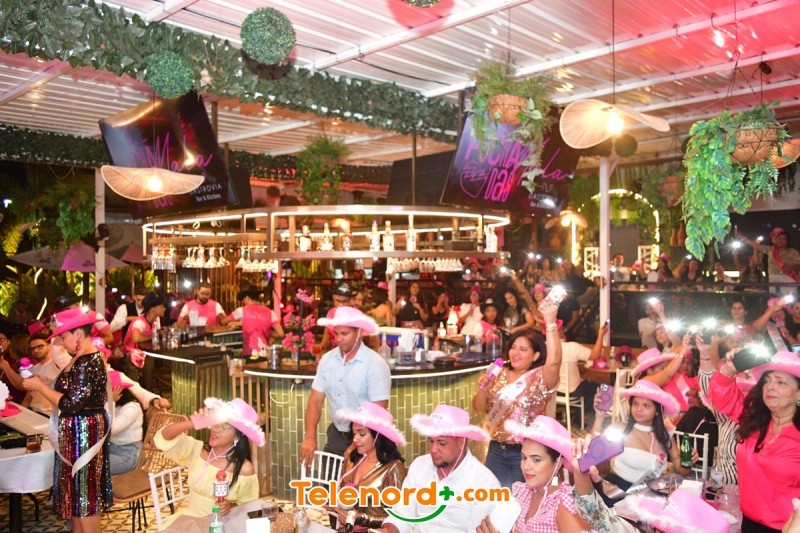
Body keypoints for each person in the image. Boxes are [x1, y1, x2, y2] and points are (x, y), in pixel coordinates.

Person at [21, 308, 112, 533]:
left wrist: (40, 387)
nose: (61, 342)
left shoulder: (89, 361)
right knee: (75, 492)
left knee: (86, 494)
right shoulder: (79, 359)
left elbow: (71, 403)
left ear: (78, 334)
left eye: (63, 336)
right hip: (75, 431)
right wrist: (43, 385)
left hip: (85, 431)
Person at [472, 298, 562, 487]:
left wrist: (550, 322)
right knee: (493, 497)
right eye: (513, 347)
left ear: (536, 355)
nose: (515, 353)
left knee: (521, 501)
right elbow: (479, 407)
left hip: (527, 453)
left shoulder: (540, 378)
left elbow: (554, 362)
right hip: (496, 449)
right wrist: (484, 388)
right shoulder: (499, 373)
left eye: (523, 349)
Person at [709, 350, 800, 531]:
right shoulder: (755, 422)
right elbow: (722, 396)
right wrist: (730, 368)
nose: (770, 387)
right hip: (749, 523)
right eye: (767, 381)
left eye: (781, 382)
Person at [381, 404, 500, 532]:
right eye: (431, 441)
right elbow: (402, 515)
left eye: (441, 443)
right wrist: (387, 530)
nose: (433, 449)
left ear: (461, 442)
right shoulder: (419, 466)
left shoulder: (485, 483)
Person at [300, 307, 391, 462]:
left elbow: (378, 412)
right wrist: (310, 437)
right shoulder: (327, 360)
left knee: (356, 478)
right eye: (336, 334)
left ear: (359, 332)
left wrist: (354, 445)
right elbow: (315, 400)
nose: (339, 339)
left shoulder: (375, 364)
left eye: (344, 334)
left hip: (367, 438)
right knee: (329, 477)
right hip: (336, 435)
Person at [155, 397, 263, 527]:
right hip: (190, 519)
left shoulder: (244, 469)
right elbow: (165, 436)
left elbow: (249, 508)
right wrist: (194, 423)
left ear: (237, 437)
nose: (216, 429)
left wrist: (229, 506)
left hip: (222, 524)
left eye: (224, 427)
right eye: (216, 423)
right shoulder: (197, 451)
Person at [477, 417, 590, 532]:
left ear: (558, 463)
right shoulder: (522, 493)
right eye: (524, 457)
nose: (526, 466)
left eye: (536, 460)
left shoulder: (565, 504)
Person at [590, 380, 693, 505]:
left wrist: (688, 460)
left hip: (649, 500)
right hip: (616, 497)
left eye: (646, 405)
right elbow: (592, 455)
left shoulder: (665, 436)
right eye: (635, 403)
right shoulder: (620, 429)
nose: (639, 409)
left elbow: (683, 472)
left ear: (657, 411)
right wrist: (599, 416)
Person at [331, 402, 407, 530]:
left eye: (361, 434)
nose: (355, 439)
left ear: (378, 436)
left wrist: (359, 518)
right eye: (354, 434)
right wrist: (335, 506)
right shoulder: (352, 459)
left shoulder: (393, 468)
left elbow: (399, 518)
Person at [558, 319, 607, 416]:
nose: (564, 330)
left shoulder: (544, 347)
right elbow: (595, 355)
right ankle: (597, 418)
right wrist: (601, 334)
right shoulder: (572, 347)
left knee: (588, 388)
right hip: (573, 391)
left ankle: (579, 414)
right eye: (562, 329)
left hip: (554, 392)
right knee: (605, 388)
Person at [120, 292, 165, 388]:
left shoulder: (152, 322)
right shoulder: (140, 322)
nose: (164, 309)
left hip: (142, 356)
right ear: (153, 308)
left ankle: (148, 388)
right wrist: (153, 336)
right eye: (161, 306)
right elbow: (136, 338)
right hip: (131, 359)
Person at [737, 227, 800, 295]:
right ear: (776, 240)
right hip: (774, 279)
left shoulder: (794, 252)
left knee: (790, 299)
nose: (781, 240)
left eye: (784, 239)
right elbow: (754, 245)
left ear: (787, 241)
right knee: (775, 299)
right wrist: (741, 236)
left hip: (789, 279)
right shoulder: (770, 249)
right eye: (779, 238)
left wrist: (791, 267)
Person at [227, 286, 284, 357]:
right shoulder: (270, 312)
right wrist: (263, 330)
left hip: (249, 352)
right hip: (264, 353)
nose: (244, 302)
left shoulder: (241, 311)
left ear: (247, 298)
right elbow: (280, 333)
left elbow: (224, 321)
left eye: (243, 300)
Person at [108, 370, 143, 475]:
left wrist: (110, 401)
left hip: (127, 454)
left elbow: (110, 429)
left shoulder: (132, 408)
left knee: (91, 468)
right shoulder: (113, 406)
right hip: (110, 448)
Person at [24, 332, 61, 413]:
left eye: (39, 346)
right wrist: (22, 411)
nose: (35, 350)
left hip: (49, 413)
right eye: (32, 349)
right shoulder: (34, 368)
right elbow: (28, 396)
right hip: (33, 410)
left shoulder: (58, 364)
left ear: (49, 345)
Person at [320, 283, 353, 352]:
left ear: (350, 301)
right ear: (333, 299)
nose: (341, 304)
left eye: (344, 301)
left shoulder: (356, 316)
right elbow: (327, 338)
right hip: (334, 353)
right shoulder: (331, 313)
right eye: (338, 301)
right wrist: (320, 349)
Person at [0, 332, 27, 403]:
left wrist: (6, 367)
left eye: (11, 346)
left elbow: (23, 385)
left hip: (16, 403)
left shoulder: (27, 362)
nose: (10, 349)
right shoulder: (16, 361)